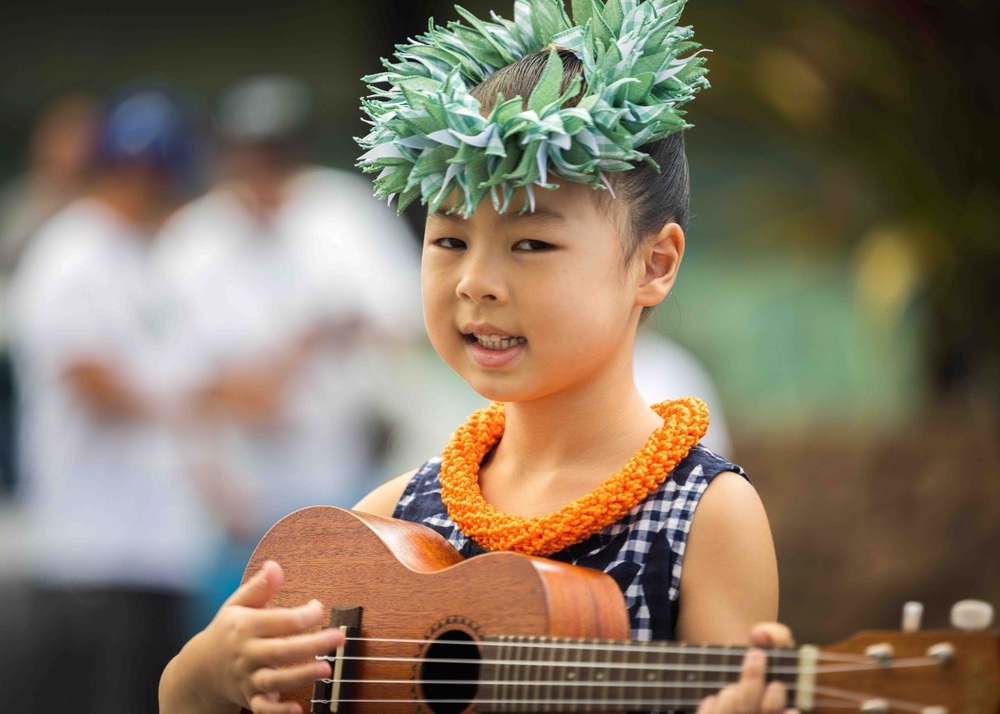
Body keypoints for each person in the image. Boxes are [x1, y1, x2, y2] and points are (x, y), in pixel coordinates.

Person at [160, 2, 792, 713]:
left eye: (531, 244)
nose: (475, 282)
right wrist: (204, 675)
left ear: (654, 263)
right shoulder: (391, 518)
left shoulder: (704, 515)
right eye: (450, 241)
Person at [10, 86, 221, 714]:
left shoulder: (137, 253)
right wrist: (186, 405)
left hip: (154, 541)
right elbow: (87, 376)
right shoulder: (72, 250)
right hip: (92, 546)